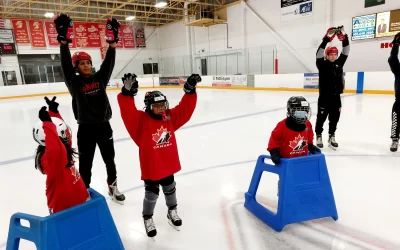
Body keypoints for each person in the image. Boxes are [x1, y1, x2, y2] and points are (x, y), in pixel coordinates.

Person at [117, 73, 201, 237]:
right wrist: (127, 94)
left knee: (170, 188)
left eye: (163, 105)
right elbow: (128, 113)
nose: (161, 108)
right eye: (157, 106)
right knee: (151, 193)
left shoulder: (168, 117)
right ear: (148, 107)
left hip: (167, 162)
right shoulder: (140, 121)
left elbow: (185, 110)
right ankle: (147, 217)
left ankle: (172, 211)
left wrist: (190, 90)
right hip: (152, 164)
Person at [54, 13, 125, 204]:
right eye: (82, 63)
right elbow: (65, 66)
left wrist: (112, 45)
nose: (86, 66)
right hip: (85, 129)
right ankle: (83, 191)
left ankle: (113, 186)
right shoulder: (74, 82)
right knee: (86, 163)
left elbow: (108, 64)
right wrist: (63, 44)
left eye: (88, 63)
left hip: (104, 126)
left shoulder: (100, 79)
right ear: (77, 66)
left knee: (110, 160)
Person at [32, 96, 89, 214]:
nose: (68, 136)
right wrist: (48, 124)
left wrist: (54, 113)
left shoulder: (62, 150)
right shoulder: (50, 159)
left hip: (78, 201)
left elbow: (62, 138)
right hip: (63, 209)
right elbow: (56, 149)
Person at [267, 96, 321, 195]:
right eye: (299, 111)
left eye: (305, 111)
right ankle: (282, 190)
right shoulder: (282, 126)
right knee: (286, 178)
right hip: (286, 161)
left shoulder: (308, 125)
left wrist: (310, 145)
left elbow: (308, 138)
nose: (303, 114)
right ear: (290, 111)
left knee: (301, 176)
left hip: (301, 159)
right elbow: (274, 138)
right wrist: (274, 152)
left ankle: (300, 193)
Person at [314, 26, 350, 150]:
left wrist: (345, 39)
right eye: (331, 54)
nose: (334, 56)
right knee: (321, 118)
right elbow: (318, 53)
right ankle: (318, 135)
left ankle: (331, 136)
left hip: (336, 98)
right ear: (327, 55)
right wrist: (326, 39)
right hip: (324, 98)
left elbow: (346, 51)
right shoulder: (322, 64)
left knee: (334, 119)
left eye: (335, 54)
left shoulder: (339, 63)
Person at [388, 32, 400, 152]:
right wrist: (395, 44)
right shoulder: (398, 70)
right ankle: (395, 140)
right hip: (399, 101)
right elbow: (392, 59)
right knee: (396, 120)